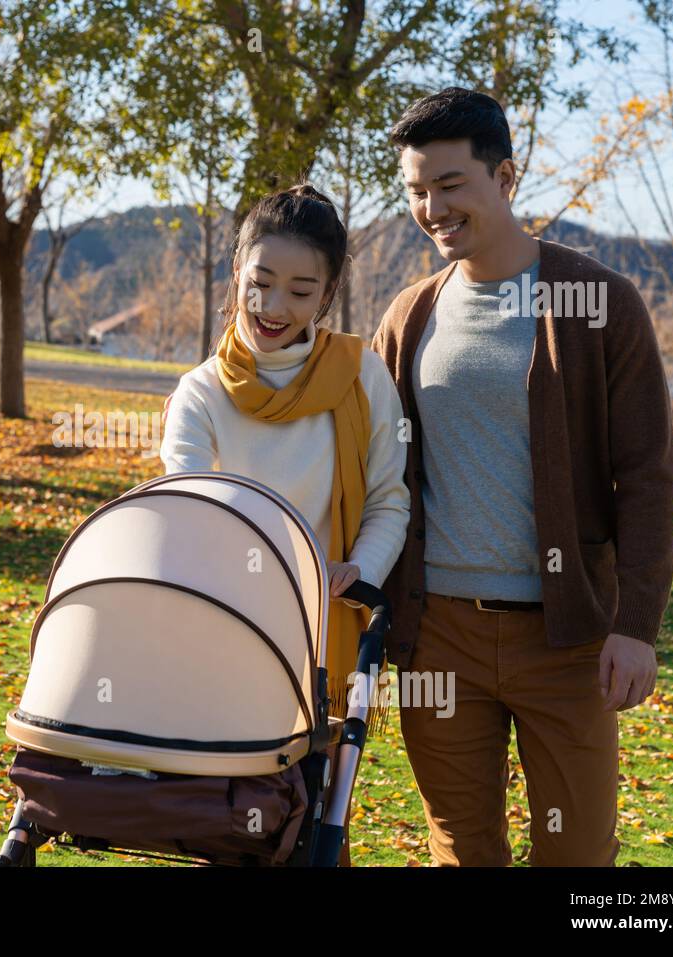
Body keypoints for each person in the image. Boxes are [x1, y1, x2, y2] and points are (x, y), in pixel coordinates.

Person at [369, 87, 673, 866]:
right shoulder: (408, 316)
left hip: (568, 635)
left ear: (504, 177)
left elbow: (647, 476)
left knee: (577, 855)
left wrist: (636, 624)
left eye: (449, 185)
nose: (431, 207)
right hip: (438, 635)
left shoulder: (600, 303)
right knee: (463, 850)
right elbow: (373, 472)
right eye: (415, 191)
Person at [159, 184, 411, 865]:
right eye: (260, 282)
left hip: (324, 635)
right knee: (228, 826)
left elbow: (391, 497)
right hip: (225, 629)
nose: (274, 307)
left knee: (312, 827)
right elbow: (188, 505)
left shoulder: (361, 375)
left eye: (301, 290)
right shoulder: (201, 392)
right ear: (236, 272)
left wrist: (358, 568)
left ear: (327, 297)